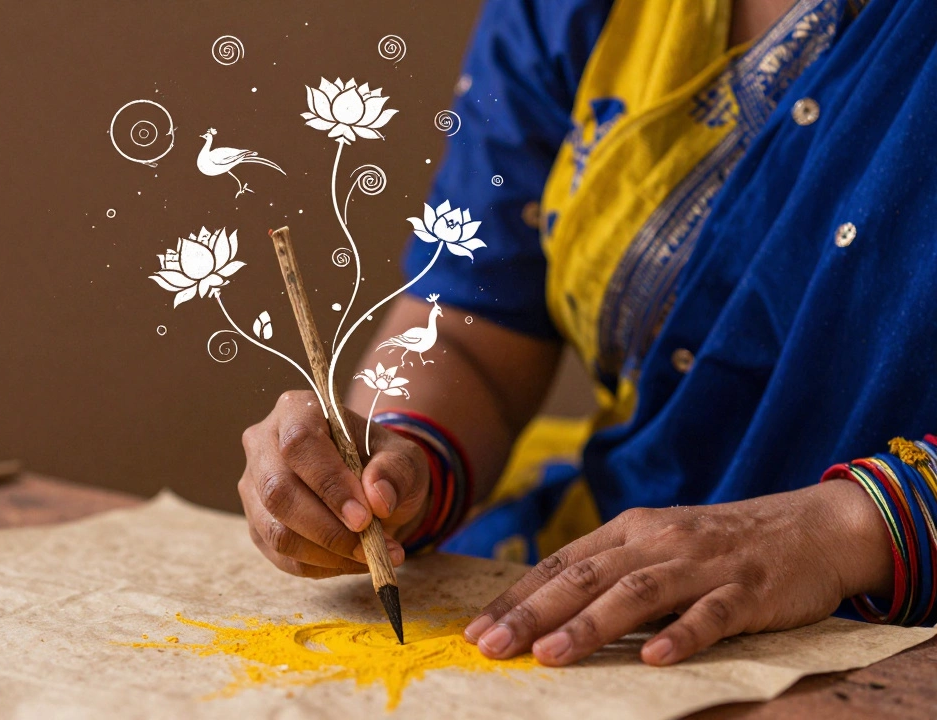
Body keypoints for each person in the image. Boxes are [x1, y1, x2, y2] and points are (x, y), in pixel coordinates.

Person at [238, 0, 937, 668]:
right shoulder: (573, 9)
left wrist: (844, 532)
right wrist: (392, 464)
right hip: (604, 589)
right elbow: (468, 328)